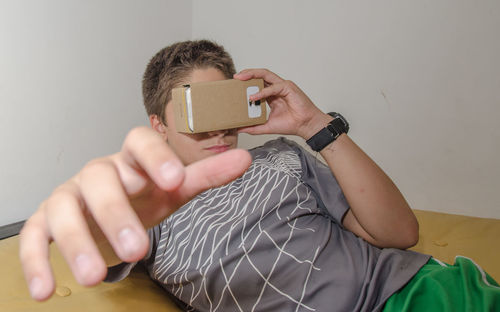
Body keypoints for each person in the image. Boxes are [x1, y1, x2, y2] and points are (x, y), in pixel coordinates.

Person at [19, 40, 499, 311]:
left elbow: (400, 233)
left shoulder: (280, 154)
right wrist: (91, 211)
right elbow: (106, 249)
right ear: (158, 126)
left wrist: (314, 125)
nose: (216, 127)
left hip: (416, 294)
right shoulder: (151, 205)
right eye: (193, 108)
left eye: (221, 104)